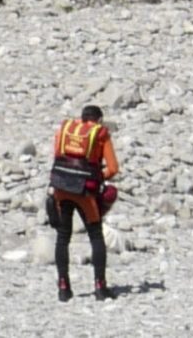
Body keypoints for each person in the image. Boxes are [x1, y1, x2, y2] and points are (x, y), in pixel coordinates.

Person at [44, 104, 121, 300]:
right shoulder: (100, 134)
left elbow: (58, 156)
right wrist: (97, 177)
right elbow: (113, 168)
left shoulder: (66, 131)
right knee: (95, 235)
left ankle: (63, 287)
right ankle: (100, 287)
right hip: (84, 192)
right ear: (99, 120)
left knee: (63, 237)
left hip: (61, 188)